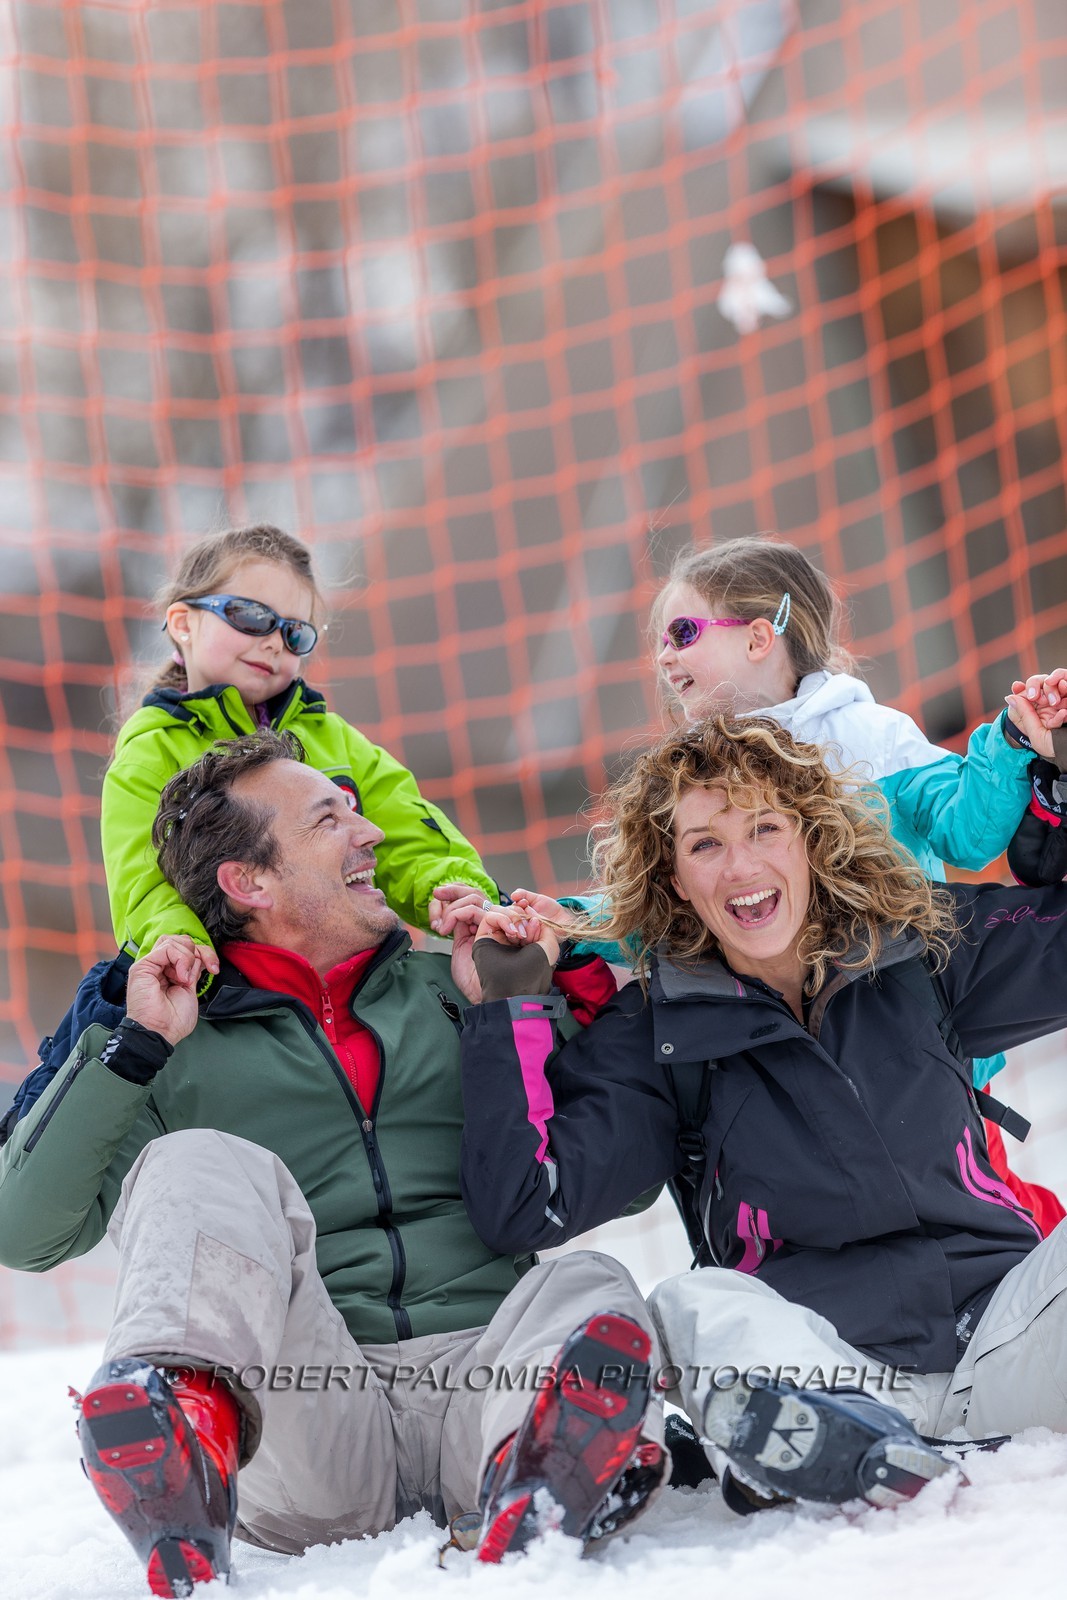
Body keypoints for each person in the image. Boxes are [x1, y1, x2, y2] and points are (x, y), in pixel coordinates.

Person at [0, 733, 664, 1595]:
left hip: (494, 1387)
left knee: (590, 1285)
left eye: (356, 807)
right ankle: (183, 1451)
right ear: (250, 881)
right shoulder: (172, 1036)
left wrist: (523, 997)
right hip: (306, 1414)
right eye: (330, 817)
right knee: (197, 1161)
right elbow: (23, 1235)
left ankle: (543, 1487)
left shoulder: (450, 987)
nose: (372, 835)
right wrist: (130, 1050)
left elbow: (622, 1161)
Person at [457, 712, 1067, 1517]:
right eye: (704, 844)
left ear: (808, 840)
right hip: (829, 1375)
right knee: (691, 1301)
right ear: (673, 877)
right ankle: (832, 1451)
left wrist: (1055, 785)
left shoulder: (919, 950)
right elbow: (525, 1204)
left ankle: (841, 1454)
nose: (740, 865)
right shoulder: (657, 1030)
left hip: (1004, 1344)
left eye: (764, 828)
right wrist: (508, 1005)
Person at [1, 523, 499, 1137]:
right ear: (182, 624)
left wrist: (448, 886)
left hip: (348, 978)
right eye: (250, 615)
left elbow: (404, 828)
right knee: (103, 1007)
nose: (274, 642)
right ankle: (34, 1142)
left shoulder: (334, 739)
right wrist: (181, 949)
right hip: (232, 992)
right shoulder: (153, 749)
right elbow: (143, 880)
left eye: (295, 633)